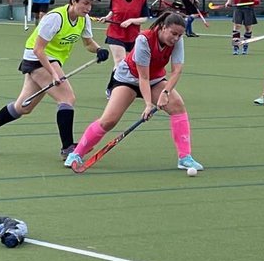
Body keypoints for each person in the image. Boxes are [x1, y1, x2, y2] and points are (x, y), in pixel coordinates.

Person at [0, 0, 108, 157]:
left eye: (91, 4)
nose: (89, 8)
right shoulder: (55, 18)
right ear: (74, 1)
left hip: (51, 60)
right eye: (85, 3)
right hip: (37, 59)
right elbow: (38, 49)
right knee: (67, 98)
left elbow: (88, 43)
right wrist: (53, 74)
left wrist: (98, 50)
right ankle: (67, 148)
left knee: (23, 107)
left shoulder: (84, 19)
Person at [64, 12, 203, 173]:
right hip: (128, 78)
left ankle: (185, 158)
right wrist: (148, 105)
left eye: (179, 35)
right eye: (173, 34)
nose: (176, 38)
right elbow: (142, 77)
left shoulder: (177, 41)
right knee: (109, 121)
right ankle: (76, 154)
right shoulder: (143, 40)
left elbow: (177, 71)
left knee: (177, 105)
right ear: (163, 27)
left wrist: (165, 92)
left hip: (155, 79)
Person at [99, 0, 150, 65]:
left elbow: (144, 18)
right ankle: (117, 80)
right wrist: (106, 18)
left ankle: (117, 80)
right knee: (120, 62)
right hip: (115, 34)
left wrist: (131, 21)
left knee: (130, 64)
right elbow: (113, 11)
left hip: (132, 36)